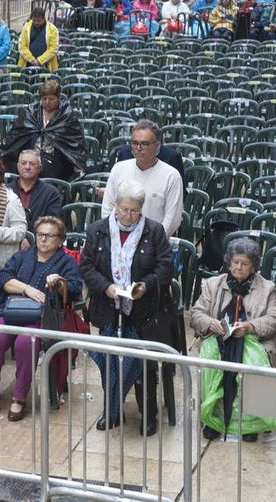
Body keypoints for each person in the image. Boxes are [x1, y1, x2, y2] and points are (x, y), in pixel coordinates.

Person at [81, 180, 173, 436]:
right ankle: (112, 409)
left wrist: (146, 285)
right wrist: (106, 287)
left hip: (143, 310)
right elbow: (87, 267)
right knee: (108, 361)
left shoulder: (154, 231)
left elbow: (165, 267)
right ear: (116, 205)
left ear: (141, 209)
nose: (128, 215)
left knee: (143, 364)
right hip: (109, 306)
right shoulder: (98, 230)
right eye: (124, 209)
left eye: (134, 211)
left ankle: (148, 412)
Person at [0, 215, 82, 421]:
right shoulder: (23, 256)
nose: (43, 239)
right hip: (11, 311)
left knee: (26, 343)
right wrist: (27, 289)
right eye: (40, 234)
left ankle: (19, 397)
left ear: (60, 240)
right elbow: (3, 278)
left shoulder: (66, 261)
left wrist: (59, 282)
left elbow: (75, 288)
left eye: (49, 236)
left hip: (43, 318)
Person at [189, 237, 276, 442]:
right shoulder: (214, 284)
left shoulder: (266, 288)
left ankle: (249, 422)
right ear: (229, 262)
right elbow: (197, 313)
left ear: (253, 267)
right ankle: (214, 419)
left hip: (254, 341)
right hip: (221, 338)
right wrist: (209, 323)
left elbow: (275, 318)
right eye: (235, 262)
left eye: (245, 263)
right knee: (212, 360)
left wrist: (250, 327)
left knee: (251, 363)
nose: (238, 267)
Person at [103, 120, 182, 240]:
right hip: (118, 239)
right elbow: (107, 208)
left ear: (157, 146)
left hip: (153, 244)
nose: (138, 148)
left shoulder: (171, 176)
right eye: (134, 143)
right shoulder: (119, 168)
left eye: (144, 144)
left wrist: (151, 243)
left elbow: (172, 220)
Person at [0, 80, 87, 181]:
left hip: (54, 161)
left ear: (58, 98)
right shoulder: (31, 112)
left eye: (51, 99)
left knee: (40, 169)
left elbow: (75, 144)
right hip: (29, 154)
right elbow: (15, 137)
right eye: (44, 99)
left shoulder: (66, 116)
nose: (47, 102)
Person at [9, 149, 63, 229]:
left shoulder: (51, 193)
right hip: (8, 239)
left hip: (39, 239)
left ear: (40, 168)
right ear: (18, 166)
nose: (27, 167)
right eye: (23, 163)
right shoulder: (5, 190)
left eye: (32, 164)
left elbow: (51, 224)